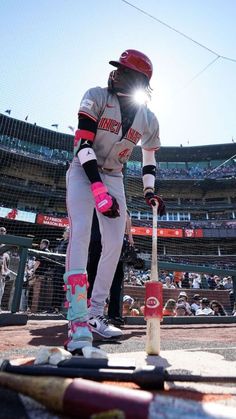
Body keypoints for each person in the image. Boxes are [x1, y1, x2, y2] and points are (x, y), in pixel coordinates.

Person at [64, 49, 165, 352]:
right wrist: (97, 190)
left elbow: (148, 160)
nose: (116, 73)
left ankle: (95, 313)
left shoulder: (148, 119)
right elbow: (82, 143)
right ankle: (77, 317)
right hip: (84, 171)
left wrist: (149, 191)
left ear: (139, 81)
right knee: (81, 232)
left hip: (115, 176)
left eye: (124, 70)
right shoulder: (96, 95)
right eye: (117, 68)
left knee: (114, 245)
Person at [87, 209, 134, 326]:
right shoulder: (116, 196)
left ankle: (87, 312)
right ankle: (114, 315)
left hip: (96, 240)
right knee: (116, 279)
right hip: (112, 241)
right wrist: (130, 239)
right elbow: (127, 217)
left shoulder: (93, 199)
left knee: (92, 276)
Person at [0, 226, 10, 310]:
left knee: (0, 292)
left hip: (1, 276)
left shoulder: (6, 252)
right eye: (0, 231)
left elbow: (7, 266)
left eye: (3, 231)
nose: (2, 232)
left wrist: (6, 273)